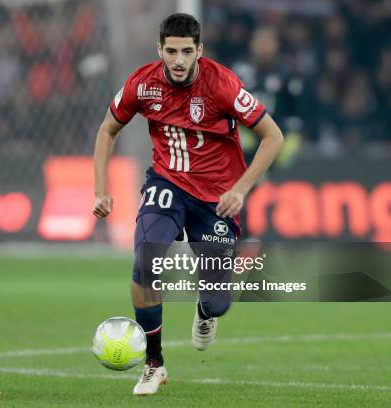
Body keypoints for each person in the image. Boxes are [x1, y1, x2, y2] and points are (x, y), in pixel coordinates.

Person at [92, 14, 284, 396]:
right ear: (159, 50)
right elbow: (107, 129)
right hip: (166, 184)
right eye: (171, 51)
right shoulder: (142, 83)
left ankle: (205, 310)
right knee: (144, 266)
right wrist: (101, 189)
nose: (178, 60)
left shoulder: (223, 85)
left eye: (186, 52)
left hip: (216, 199)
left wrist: (241, 189)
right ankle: (154, 364)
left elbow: (273, 137)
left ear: (200, 51)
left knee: (217, 301)